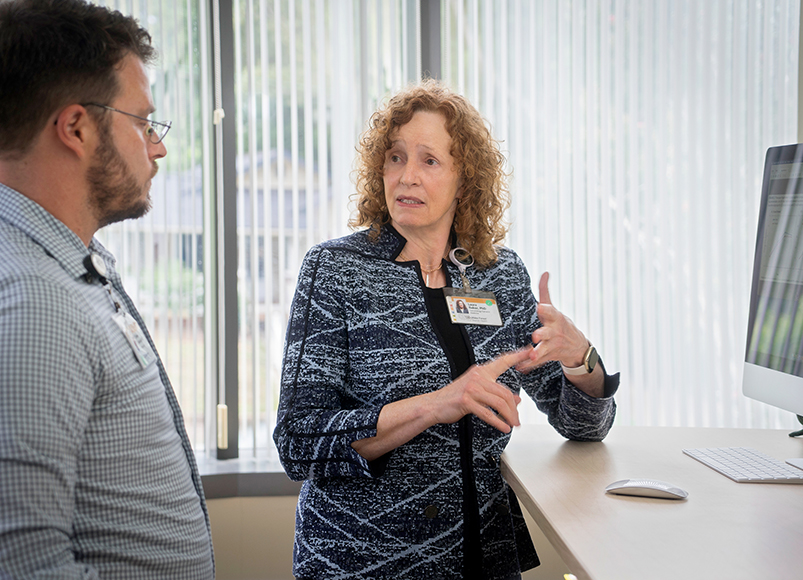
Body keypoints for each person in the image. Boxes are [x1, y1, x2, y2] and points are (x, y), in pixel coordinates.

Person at [273, 79, 619, 580]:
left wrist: (581, 358)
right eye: (395, 157)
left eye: (429, 161)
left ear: (466, 179)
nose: (406, 176)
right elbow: (298, 441)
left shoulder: (499, 275)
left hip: (482, 556)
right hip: (366, 561)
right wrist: (439, 403)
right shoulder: (335, 270)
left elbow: (584, 426)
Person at [0, 1, 214, 578]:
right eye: (143, 123)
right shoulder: (35, 296)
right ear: (76, 127)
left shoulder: (74, 261)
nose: (159, 146)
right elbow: (26, 561)